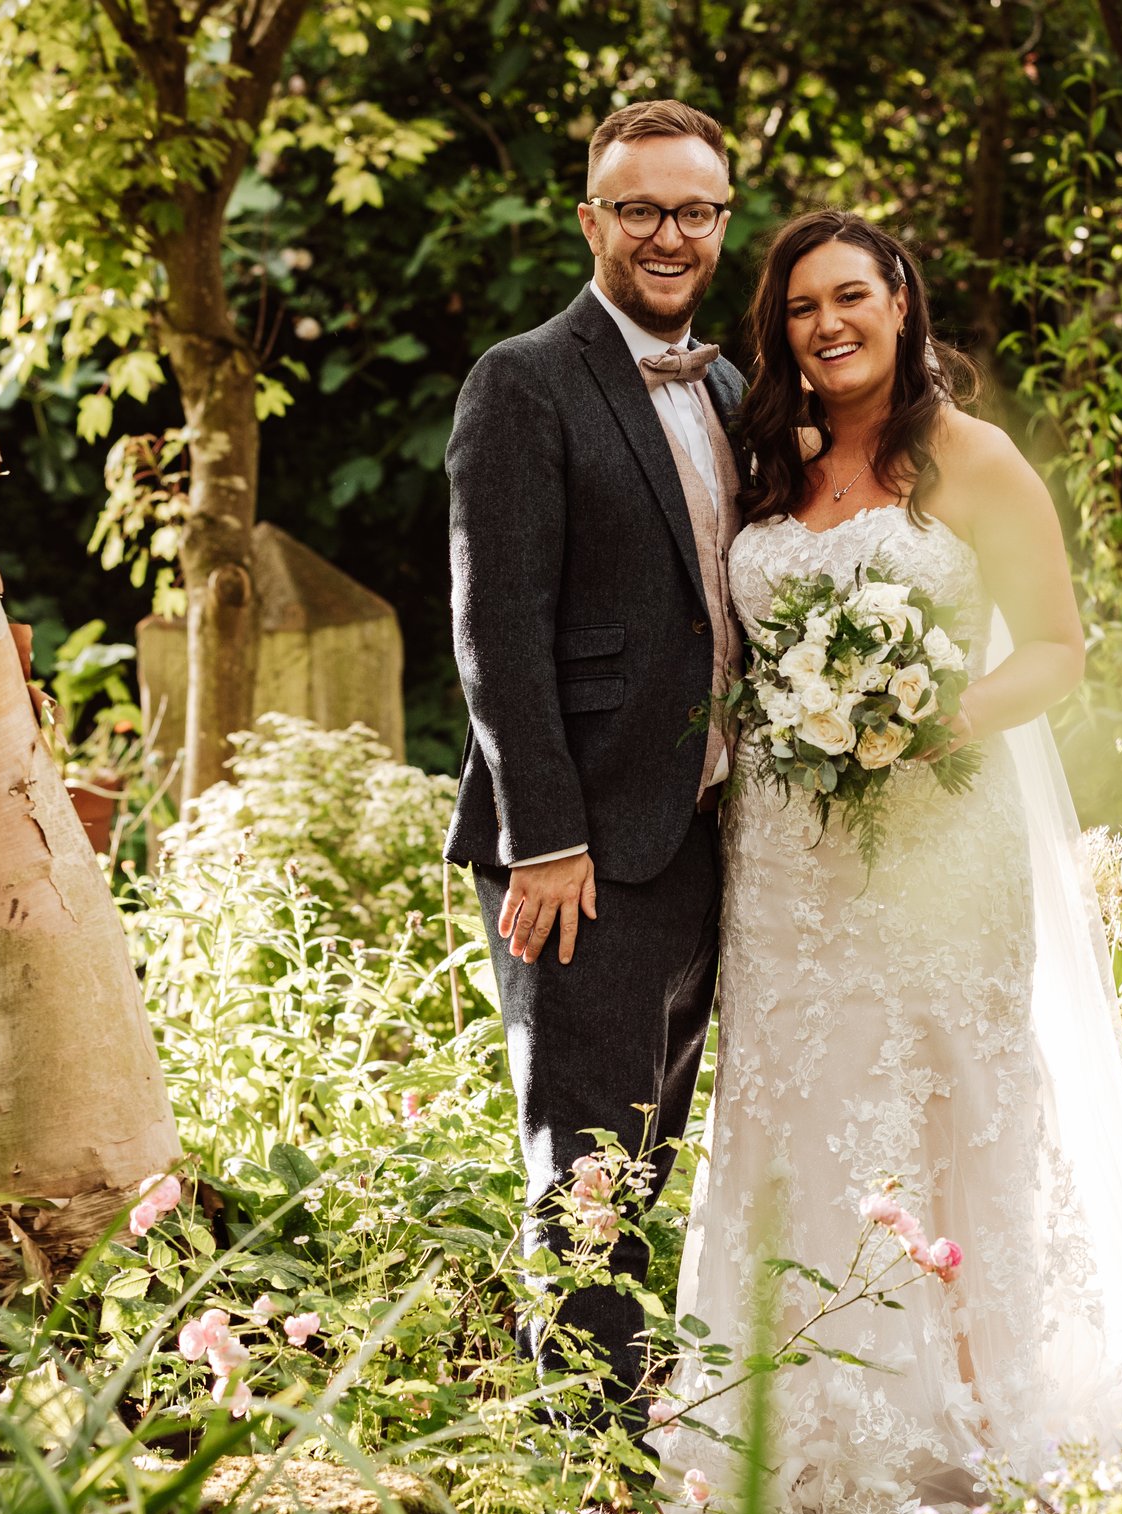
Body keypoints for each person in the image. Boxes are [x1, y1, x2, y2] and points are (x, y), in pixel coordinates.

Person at [654, 211, 1122, 1514]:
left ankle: (987, 1418)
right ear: (782, 332)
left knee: (950, 1099)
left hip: (943, 834)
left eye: (852, 296)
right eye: (804, 306)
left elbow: (1055, 649)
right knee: (796, 1101)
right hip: (789, 852)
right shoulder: (773, 465)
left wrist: (935, 719)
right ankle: (795, 1427)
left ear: (900, 299)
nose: (830, 324)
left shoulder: (974, 461)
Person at [442, 98, 746, 1416]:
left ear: (722, 225)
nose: (668, 235)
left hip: (703, 835)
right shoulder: (524, 378)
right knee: (583, 1165)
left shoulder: (733, 384)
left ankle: (597, 1445)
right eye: (641, 209)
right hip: (573, 850)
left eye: (695, 211)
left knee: (648, 1148)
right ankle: (581, 1491)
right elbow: (495, 626)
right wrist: (545, 837)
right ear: (592, 221)